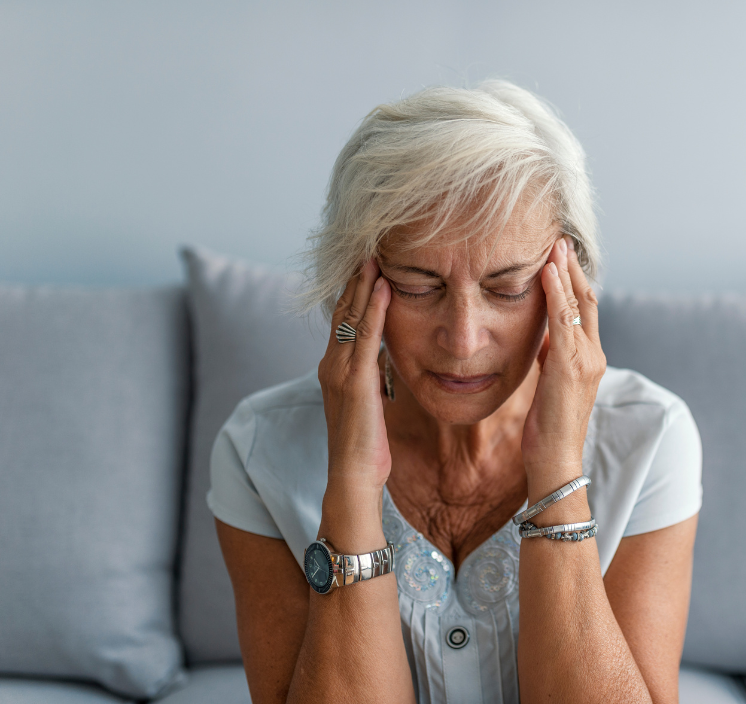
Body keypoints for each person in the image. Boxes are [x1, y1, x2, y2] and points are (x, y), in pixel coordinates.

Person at [208, 80, 702, 704]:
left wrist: (555, 475)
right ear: (355, 283)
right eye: (418, 286)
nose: (463, 340)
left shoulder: (651, 437)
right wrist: (353, 487)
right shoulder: (258, 452)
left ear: (567, 284)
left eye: (507, 287)